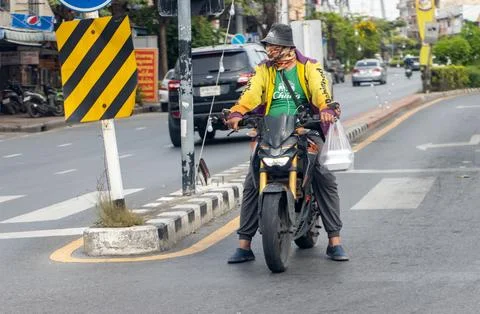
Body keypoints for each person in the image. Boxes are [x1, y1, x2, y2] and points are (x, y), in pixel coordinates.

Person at [225, 24, 349, 263]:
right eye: (268, 46)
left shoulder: (309, 67)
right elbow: (251, 93)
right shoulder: (264, 70)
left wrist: (325, 108)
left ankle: (335, 241)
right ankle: (244, 245)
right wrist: (238, 112)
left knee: (323, 175)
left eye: (273, 45)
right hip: (272, 132)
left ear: (286, 47)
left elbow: (320, 90)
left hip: (305, 130)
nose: (269, 50)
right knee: (252, 179)